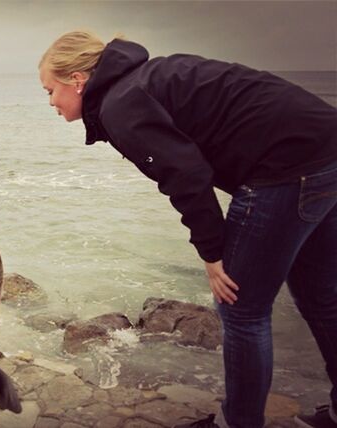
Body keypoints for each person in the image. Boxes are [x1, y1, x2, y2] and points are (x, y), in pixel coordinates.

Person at [39, 30, 337, 428]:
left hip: (285, 169)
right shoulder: (143, 81)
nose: (50, 102)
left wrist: (212, 254)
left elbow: (186, 177)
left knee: (242, 309)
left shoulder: (122, 104)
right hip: (326, 151)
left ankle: (239, 422)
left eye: (50, 90)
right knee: (321, 299)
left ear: (77, 79)